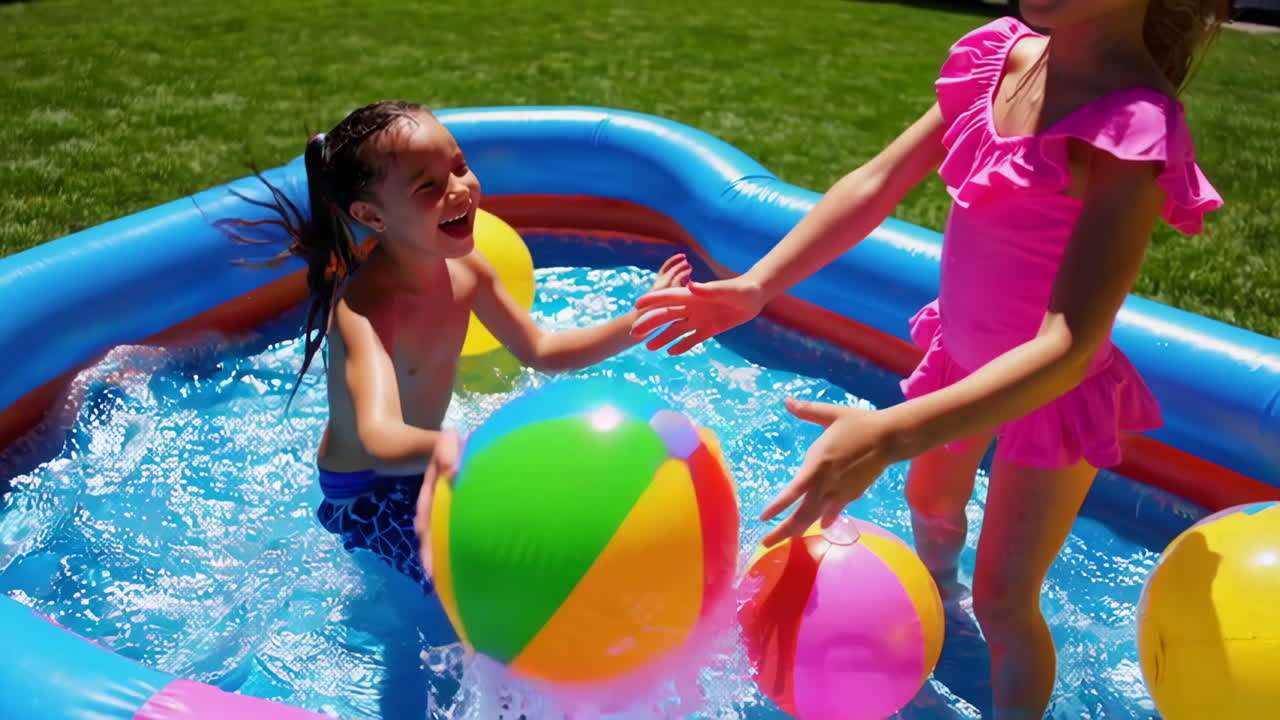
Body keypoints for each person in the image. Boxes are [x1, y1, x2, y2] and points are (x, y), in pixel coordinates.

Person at [630, 2, 1226, 715]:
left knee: (1007, 601)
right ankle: (941, 600)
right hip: (961, 355)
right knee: (929, 503)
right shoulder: (1000, 57)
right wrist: (757, 287)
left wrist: (888, 432)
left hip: (1052, 394)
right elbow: (875, 182)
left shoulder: (1131, 123)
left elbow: (1066, 345)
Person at [222, 100, 691, 592]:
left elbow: (542, 349)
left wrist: (637, 320)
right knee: (482, 582)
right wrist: (453, 445)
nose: (459, 189)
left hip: (430, 456)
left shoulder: (469, 270)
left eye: (460, 167)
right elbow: (379, 437)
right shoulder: (367, 309)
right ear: (371, 215)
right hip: (366, 493)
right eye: (428, 186)